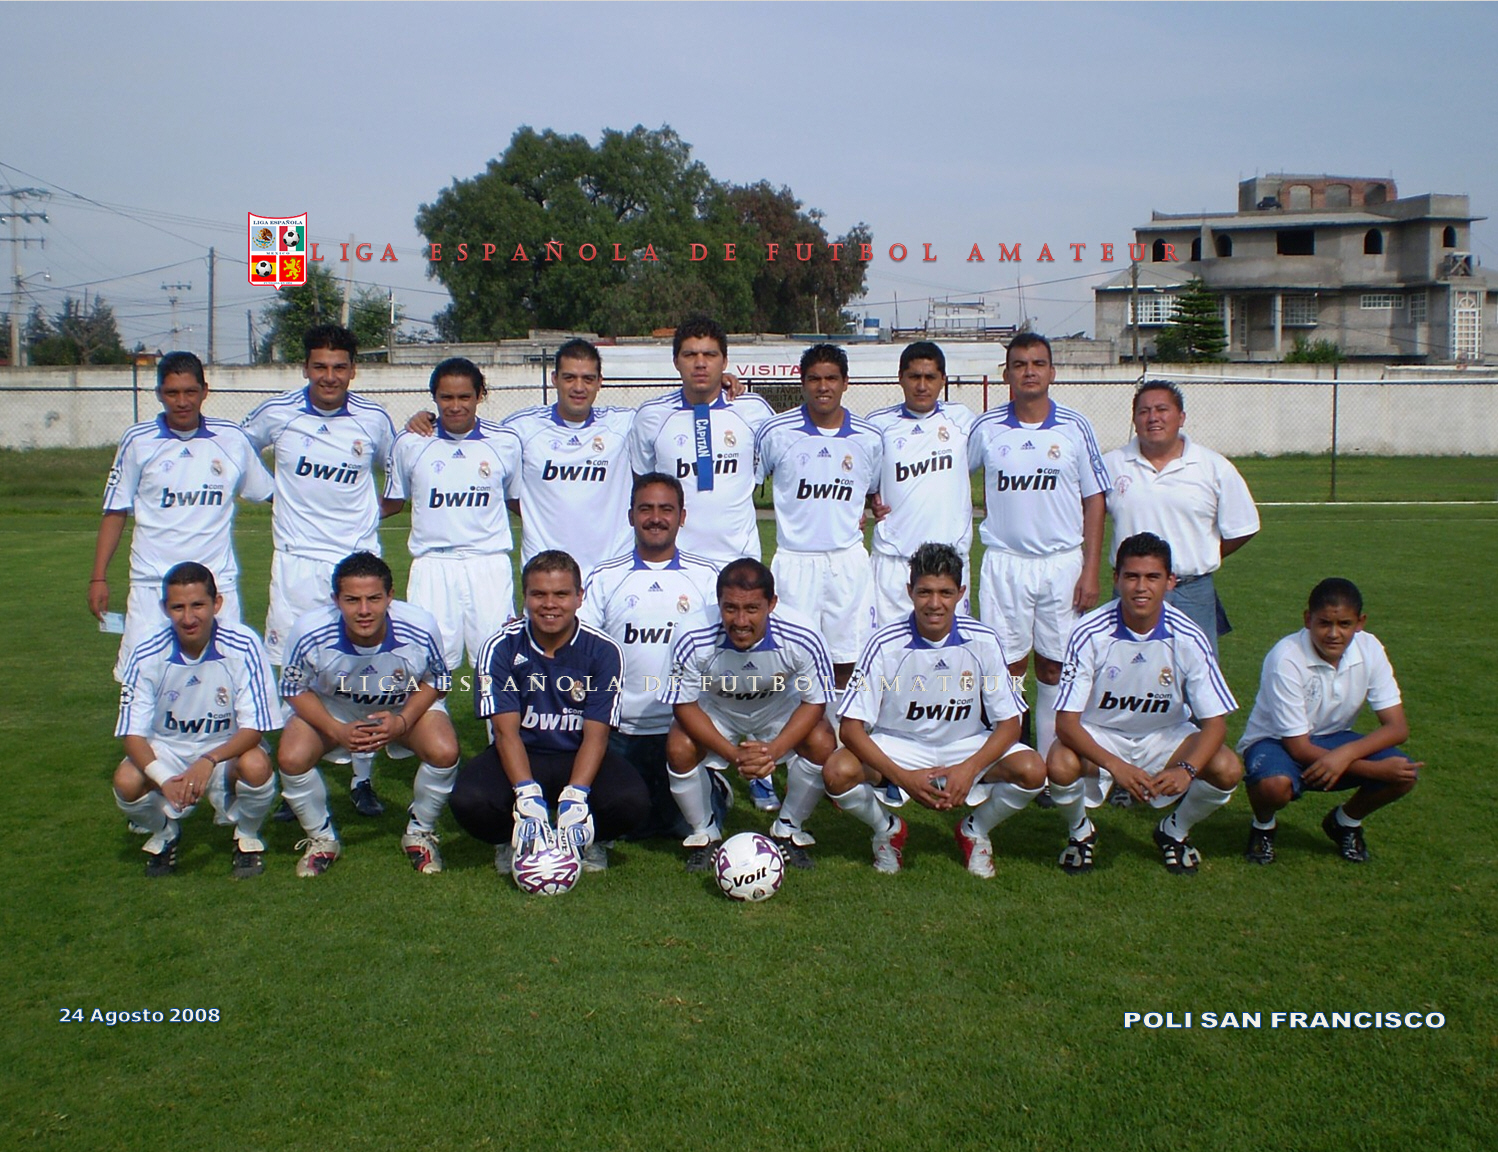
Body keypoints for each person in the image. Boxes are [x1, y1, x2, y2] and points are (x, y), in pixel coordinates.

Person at [825, 543, 1045, 876]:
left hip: (963, 744)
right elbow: (851, 728)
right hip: (901, 745)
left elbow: (1010, 723)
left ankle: (975, 831)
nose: (934, 603)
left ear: (961, 593)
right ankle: (888, 830)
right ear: (909, 591)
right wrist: (903, 779)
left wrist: (969, 769)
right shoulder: (883, 643)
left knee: (1032, 769)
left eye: (945, 592)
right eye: (924, 592)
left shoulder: (984, 639)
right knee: (837, 772)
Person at [1046, 532, 1243, 875]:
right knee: (1060, 762)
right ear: (1116, 579)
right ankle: (1080, 833)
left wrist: (1187, 770)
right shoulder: (1088, 631)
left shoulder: (1189, 635)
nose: (1141, 587)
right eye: (1132, 576)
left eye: (1152, 577)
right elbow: (1066, 723)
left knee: (1227, 767)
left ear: (1170, 581)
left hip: (1165, 737)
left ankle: (1174, 831)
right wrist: (1116, 766)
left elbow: (1215, 724)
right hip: (1103, 735)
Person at [451, 550, 649, 875]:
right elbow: (505, 733)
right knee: (470, 800)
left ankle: (589, 839)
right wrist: (526, 795)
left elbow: (597, 735)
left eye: (561, 594)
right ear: (525, 597)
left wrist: (577, 795)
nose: (549, 604)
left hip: (577, 752)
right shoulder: (500, 646)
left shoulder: (604, 650)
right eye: (539, 594)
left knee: (631, 801)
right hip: (522, 752)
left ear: (579, 597)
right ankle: (511, 839)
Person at [968, 332, 1111, 764]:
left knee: (1055, 665)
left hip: (1061, 564)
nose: (1029, 372)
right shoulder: (986, 428)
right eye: (1020, 364)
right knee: (1008, 667)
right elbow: (946, 475)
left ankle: (1051, 759)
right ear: (1007, 374)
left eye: (1038, 364)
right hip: (1005, 564)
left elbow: (1095, 499)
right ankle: (1012, 758)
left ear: (1052, 372)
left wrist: (1090, 570)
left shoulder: (1075, 426)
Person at [275, 552, 461, 876]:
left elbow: (438, 681)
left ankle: (420, 832)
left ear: (390, 596)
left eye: (374, 598)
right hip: (335, 709)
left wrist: (403, 721)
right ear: (336, 600)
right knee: (292, 757)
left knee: (444, 750)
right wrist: (335, 729)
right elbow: (293, 688)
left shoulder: (419, 625)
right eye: (352, 600)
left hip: (401, 706)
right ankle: (321, 839)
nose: (364, 610)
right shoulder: (309, 630)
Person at [92, 351, 274, 681]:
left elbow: (272, 495)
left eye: (190, 392)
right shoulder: (138, 441)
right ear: (159, 393)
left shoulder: (231, 439)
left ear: (205, 391)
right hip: (153, 585)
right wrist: (98, 577)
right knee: (142, 680)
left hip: (215, 586)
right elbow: (115, 510)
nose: (182, 401)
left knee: (225, 678)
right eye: (172, 393)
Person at [662, 559, 837, 871]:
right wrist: (733, 755)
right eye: (730, 608)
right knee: (679, 746)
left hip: (777, 709)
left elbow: (814, 702)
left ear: (772, 604)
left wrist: (773, 752)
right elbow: (683, 705)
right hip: (718, 710)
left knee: (822, 740)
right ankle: (704, 836)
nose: (740, 621)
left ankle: (788, 831)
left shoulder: (803, 634)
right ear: (718, 603)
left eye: (752, 609)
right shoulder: (692, 634)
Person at [241, 324, 398, 666]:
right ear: (305, 368)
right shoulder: (278, 412)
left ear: (353, 370)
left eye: (339, 367)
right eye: (320, 367)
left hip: (357, 559)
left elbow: (400, 469)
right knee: (294, 664)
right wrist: (270, 493)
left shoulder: (373, 418)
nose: (329, 377)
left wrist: (377, 510)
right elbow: (237, 448)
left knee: (363, 662)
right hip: (296, 560)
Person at [112, 562, 281, 878]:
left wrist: (208, 760)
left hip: (224, 750)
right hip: (168, 749)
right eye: (178, 607)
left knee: (257, 766)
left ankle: (247, 837)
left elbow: (254, 727)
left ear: (217, 604)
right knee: (126, 780)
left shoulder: (243, 644)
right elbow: (132, 734)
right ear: (165, 608)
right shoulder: (146, 650)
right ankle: (165, 834)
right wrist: (164, 778)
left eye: (198, 605)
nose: (188, 618)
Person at [1238, 578, 1420, 864]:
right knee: (1274, 785)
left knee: (1404, 773)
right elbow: (1298, 747)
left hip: (1335, 737)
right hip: (1276, 742)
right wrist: (1374, 770)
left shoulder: (1370, 648)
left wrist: (1344, 755)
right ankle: (1263, 826)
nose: (1334, 634)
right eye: (1324, 623)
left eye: (1344, 624)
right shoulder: (1286, 657)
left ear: (1360, 623)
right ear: (1307, 619)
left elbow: (1397, 727)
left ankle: (1345, 822)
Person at [578, 472, 719, 840]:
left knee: (685, 826)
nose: (656, 518)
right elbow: (581, 650)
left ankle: (714, 785)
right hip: (621, 730)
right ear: (631, 516)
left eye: (666, 509)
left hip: (684, 729)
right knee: (625, 821)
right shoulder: (605, 577)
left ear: (682, 517)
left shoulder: (707, 578)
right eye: (646, 509)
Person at [753, 343, 882, 683]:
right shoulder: (776, 432)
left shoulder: (869, 438)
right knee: (790, 662)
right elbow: (747, 488)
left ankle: (842, 719)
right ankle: (796, 721)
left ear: (845, 382)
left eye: (831, 379)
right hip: (794, 562)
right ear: (803, 382)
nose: (823, 387)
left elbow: (872, 491)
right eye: (814, 379)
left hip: (847, 562)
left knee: (848, 660)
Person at [383, 357, 523, 671]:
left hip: (488, 564)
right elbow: (393, 500)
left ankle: (496, 708)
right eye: (446, 397)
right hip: (432, 565)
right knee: (427, 665)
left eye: (464, 397)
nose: (456, 406)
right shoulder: (410, 442)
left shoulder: (505, 442)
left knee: (497, 664)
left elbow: (516, 500)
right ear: (434, 397)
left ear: (479, 396)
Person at [1103, 381, 1259, 654]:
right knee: (1127, 668)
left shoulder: (1213, 466)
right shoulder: (1110, 465)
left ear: (1181, 417)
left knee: (1196, 671)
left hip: (1192, 591)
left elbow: (1243, 526)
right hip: (1132, 590)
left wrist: (1205, 552)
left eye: (1162, 409)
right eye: (1144, 411)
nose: (1153, 417)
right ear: (1135, 420)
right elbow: (1086, 519)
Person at [630, 314, 775, 565]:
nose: (700, 363)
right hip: (674, 563)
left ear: (724, 361)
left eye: (710, 355)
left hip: (739, 561)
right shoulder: (651, 416)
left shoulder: (754, 409)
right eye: (690, 355)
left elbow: (784, 461)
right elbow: (642, 487)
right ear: (676, 361)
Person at [499, 339, 637, 576]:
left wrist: (713, 393)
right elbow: (476, 444)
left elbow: (674, 414)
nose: (579, 387)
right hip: (546, 575)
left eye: (588, 379)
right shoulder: (521, 428)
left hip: (612, 572)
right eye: (569, 377)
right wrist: (432, 422)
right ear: (555, 379)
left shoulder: (625, 424)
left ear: (600, 382)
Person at [866, 341, 978, 627]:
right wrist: (870, 502)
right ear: (900, 378)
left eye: (930, 377)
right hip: (894, 561)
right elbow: (863, 481)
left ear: (943, 380)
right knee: (889, 646)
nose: (922, 386)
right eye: (914, 376)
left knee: (948, 647)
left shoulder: (963, 420)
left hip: (949, 562)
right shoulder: (877, 425)